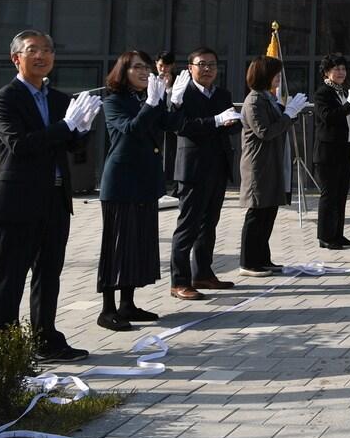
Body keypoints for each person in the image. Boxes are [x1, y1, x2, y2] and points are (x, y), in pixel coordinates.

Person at [0, 30, 101, 361]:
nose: (42, 56)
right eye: (33, 50)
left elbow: (71, 147)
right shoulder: (3, 99)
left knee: (49, 275)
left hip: (55, 199)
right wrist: (66, 127)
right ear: (16, 58)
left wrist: (83, 129)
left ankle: (45, 339)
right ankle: (4, 351)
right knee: (11, 278)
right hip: (17, 203)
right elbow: (20, 146)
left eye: (48, 50)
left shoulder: (59, 99)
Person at [96, 50, 185, 330]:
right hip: (121, 183)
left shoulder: (148, 98)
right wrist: (151, 103)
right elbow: (132, 129)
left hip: (144, 181)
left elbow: (171, 124)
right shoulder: (114, 101)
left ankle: (128, 304)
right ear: (123, 72)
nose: (144, 72)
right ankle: (107, 309)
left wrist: (175, 101)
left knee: (137, 244)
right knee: (117, 246)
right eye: (137, 67)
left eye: (146, 67)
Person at [169, 47, 242, 300]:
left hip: (218, 166)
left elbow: (233, 123)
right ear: (190, 68)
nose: (208, 69)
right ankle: (179, 281)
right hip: (193, 168)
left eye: (212, 64)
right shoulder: (182, 96)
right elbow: (181, 127)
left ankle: (203, 273)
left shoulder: (222, 94)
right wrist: (215, 122)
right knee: (187, 226)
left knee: (209, 225)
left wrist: (230, 122)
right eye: (202, 64)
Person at [239, 56, 308, 277]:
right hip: (258, 164)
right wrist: (288, 114)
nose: (279, 78)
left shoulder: (267, 98)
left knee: (269, 211)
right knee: (257, 213)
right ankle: (248, 261)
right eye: (275, 74)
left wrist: (291, 114)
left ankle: (262, 257)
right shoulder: (254, 101)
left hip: (272, 162)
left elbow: (279, 123)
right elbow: (264, 132)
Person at [314, 53, 350, 250]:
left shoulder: (343, 91)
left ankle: (338, 234)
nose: (341, 72)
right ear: (326, 72)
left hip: (345, 149)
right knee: (329, 196)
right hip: (328, 152)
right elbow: (329, 117)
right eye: (336, 69)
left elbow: (348, 120)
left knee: (341, 195)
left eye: (343, 69)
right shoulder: (323, 93)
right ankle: (325, 236)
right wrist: (349, 105)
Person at [155, 49, 179, 189]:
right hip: (155, 127)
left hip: (171, 129)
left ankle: (172, 186)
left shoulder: (178, 81)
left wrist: (169, 88)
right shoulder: (151, 80)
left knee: (171, 157)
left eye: (167, 66)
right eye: (161, 66)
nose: (164, 69)